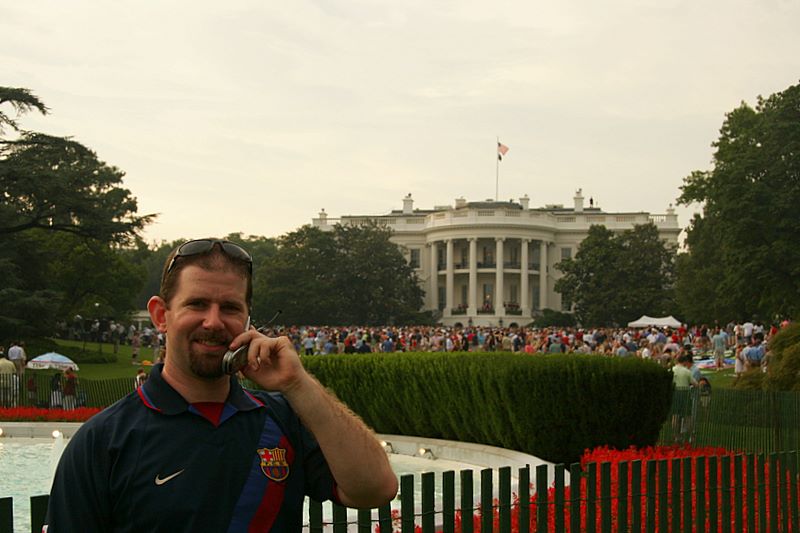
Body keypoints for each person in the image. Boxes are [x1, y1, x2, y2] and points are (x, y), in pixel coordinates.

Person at [46, 238, 397, 532]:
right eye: (197, 304)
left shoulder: (282, 420)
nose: (213, 322)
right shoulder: (103, 441)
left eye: (229, 307)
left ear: (247, 319)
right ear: (161, 315)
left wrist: (297, 383)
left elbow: (377, 489)